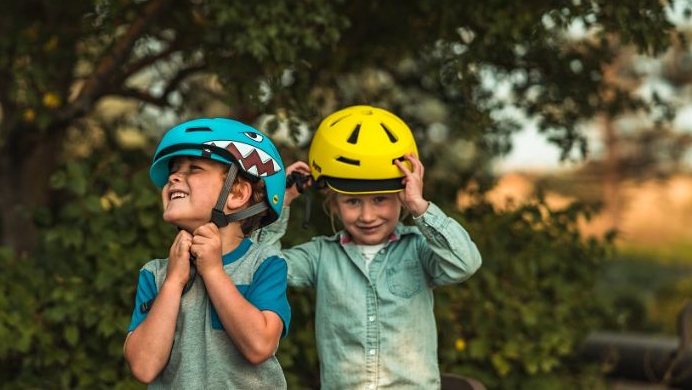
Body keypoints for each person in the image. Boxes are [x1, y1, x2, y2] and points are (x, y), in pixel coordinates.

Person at [253, 105, 482, 389]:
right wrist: (281, 201)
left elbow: (465, 263)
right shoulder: (321, 255)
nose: (367, 216)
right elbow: (260, 265)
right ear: (333, 205)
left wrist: (419, 206)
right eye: (352, 202)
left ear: (401, 197)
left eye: (380, 200)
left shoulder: (419, 249)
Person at [123, 118, 292, 389]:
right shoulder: (155, 274)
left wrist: (212, 270)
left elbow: (259, 346)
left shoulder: (265, 265)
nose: (173, 177)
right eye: (174, 170)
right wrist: (173, 283)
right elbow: (144, 367)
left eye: (194, 168)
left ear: (237, 193)